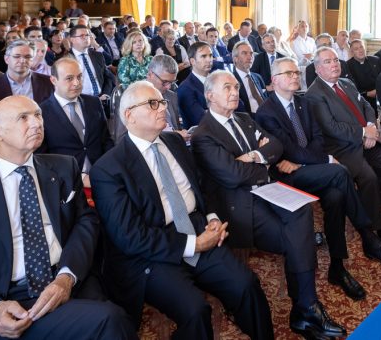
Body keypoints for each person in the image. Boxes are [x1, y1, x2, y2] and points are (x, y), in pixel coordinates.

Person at [0, 95, 135, 340]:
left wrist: (67, 275)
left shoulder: (64, 168)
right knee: (109, 320)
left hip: (64, 279)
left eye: (37, 115)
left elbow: (85, 222)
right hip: (4, 298)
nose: (36, 123)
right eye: (23, 118)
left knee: (113, 318)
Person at [90, 80, 274, 337]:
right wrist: (194, 245)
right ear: (129, 115)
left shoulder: (174, 142)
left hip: (197, 227)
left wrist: (211, 217)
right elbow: (130, 237)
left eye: (162, 102)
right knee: (195, 310)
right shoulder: (108, 168)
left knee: (246, 284)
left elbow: (202, 185)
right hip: (152, 252)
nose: (162, 108)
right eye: (152, 104)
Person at [190, 71, 347, 338]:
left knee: (302, 209)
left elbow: (276, 146)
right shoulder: (204, 134)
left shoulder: (243, 118)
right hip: (239, 204)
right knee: (299, 238)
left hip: (267, 189)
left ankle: (305, 308)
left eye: (236, 86)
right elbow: (232, 175)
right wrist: (263, 163)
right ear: (210, 95)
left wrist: (253, 155)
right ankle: (306, 309)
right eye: (227, 87)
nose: (235, 92)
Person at [256, 57, 381, 301]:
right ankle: (369, 237)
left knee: (335, 197)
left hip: (309, 167)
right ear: (274, 80)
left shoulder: (302, 103)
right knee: (340, 171)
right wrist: (323, 160)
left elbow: (318, 139)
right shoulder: (266, 112)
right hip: (288, 176)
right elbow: (288, 150)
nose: (294, 76)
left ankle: (337, 267)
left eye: (296, 72)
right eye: (288, 73)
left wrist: (311, 159)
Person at [306, 47, 381, 230]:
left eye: (336, 60)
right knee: (369, 177)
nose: (334, 64)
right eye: (328, 61)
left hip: (364, 138)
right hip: (341, 148)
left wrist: (371, 126)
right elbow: (331, 128)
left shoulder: (346, 83)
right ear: (317, 69)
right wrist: (364, 132)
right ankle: (375, 226)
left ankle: (375, 207)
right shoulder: (314, 94)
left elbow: (367, 106)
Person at [39, 57, 112, 184]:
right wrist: (79, 179)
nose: (76, 83)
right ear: (53, 80)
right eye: (69, 78)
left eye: (79, 77)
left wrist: (110, 168)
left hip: (102, 175)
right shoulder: (41, 112)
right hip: (66, 182)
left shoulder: (94, 103)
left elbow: (106, 140)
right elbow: (43, 158)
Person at [0, 39, 54, 108]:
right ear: (6, 59)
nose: (22, 61)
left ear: (32, 60)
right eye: (17, 56)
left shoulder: (49, 83)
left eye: (28, 57)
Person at [67, 25, 115, 102]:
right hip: (80, 101)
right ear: (72, 39)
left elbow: (107, 77)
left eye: (87, 35)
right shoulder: (65, 60)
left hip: (102, 99)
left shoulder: (97, 55)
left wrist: (106, 94)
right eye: (82, 36)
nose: (86, 38)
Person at [176, 42, 214, 127]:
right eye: (203, 56)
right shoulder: (185, 88)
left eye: (211, 55)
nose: (209, 60)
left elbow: (239, 107)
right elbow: (202, 119)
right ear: (192, 61)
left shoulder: (218, 79)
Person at [230, 42, 268, 114]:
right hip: (249, 118)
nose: (249, 57)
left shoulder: (258, 77)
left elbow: (266, 99)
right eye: (244, 53)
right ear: (235, 59)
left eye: (251, 53)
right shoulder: (231, 80)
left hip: (268, 114)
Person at [345, 39, 381, 110]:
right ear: (352, 52)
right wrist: (367, 93)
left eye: (361, 47)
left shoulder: (376, 60)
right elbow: (350, 87)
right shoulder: (347, 66)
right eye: (356, 49)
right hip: (360, 100)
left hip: (379, 96)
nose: (360, 50)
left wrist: (379, 90)